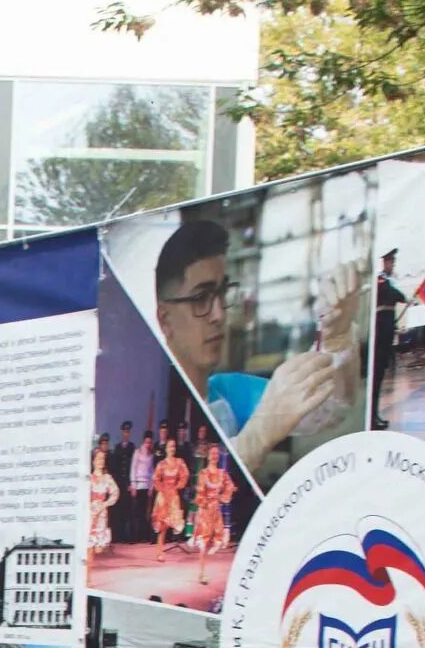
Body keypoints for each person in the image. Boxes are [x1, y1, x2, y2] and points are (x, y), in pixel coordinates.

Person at [150, 216, 350, 475]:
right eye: (201, 298)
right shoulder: (149, 410)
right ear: (165, 319)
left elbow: (328, 410)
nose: (219, 314)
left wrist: (337, 336)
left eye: (222, 293)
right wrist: (257, 436)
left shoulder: (228, 393)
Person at [371, 248, 404, 426]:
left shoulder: (388, 281)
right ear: (385, 262)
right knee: (375, 380)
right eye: (391, 262)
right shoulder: (381, 280)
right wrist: (401, 295)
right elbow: (392, 294)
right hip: (380, 337)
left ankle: (374, 415)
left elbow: (398, 295)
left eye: (394, 262)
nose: (393, 265)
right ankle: (371, 417)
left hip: (386, 336)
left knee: (380, 378)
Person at [192, 444, 233, 581]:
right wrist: (206, 503)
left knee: (214, 542)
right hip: (205, 511)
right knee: (204, 542)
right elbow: (199, 494)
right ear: (208, 456)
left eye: (217, 454)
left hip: (216, 511)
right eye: (212, 453)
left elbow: (230, 486)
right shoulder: (204, 473)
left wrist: (222, 498)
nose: (215, 456)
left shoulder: (222, 473)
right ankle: (201, 573)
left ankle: (204, 571)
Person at [86, 434, 116, 553]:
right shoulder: (88, 478)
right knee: (89, 547)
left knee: (98, 548)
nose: (100, 461)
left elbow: (115, 493)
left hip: (102, 515)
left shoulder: (107, 478)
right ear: (93, 461)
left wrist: (105, 504)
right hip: (90, 514)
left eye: (102, 459)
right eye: (98, 459)